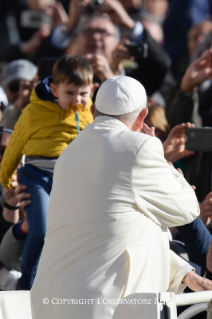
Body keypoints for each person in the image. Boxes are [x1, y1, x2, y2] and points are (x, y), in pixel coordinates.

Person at [30, 75, 210, 319]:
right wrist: (167, 164)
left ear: (93, 111)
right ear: (142, 117)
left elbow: (111, 231)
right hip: (100, 308)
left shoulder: (68, 154)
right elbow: (188, 209)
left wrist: (182, 272)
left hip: (50, 303)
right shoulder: (140, 147)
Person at [0, 54, 94, 290]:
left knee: (78, 230)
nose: (77, 100)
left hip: (71, 179)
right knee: (41, 229)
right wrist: (6, 176)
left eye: (83, 94)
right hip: (37, 176)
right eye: (70, 93)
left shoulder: (88, 115)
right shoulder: (35, 112)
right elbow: (15, 144)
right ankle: (27, 281)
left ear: (92, 90)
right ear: (54, 89)